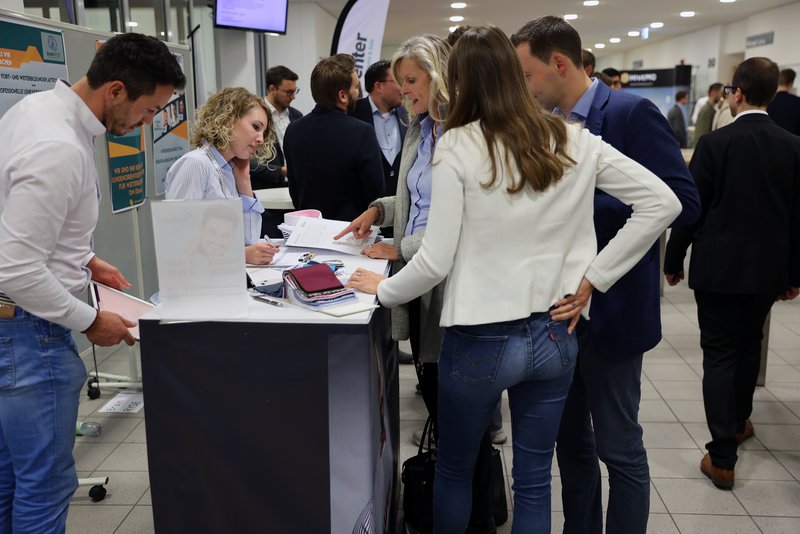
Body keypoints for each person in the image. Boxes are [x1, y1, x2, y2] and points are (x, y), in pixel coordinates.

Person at [346, 26, 681, 533]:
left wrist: (384, 289)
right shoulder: (569, 137)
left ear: (459, 81)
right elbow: (663, 203)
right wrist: (595, 277)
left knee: (455, 470)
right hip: (554, 333)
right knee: (533, 479)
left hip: (479, 338)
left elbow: (436, 261)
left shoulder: (458, 145)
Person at [511, 16, 700, 534]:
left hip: (614, 312)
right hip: (560, 315)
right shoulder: (546, 126)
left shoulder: (630, 112)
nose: (524, 88)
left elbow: (682, 201)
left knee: (619, 447)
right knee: (570, 445)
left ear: (558, 63)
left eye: (527, 75)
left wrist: (583, 199)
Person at [0, 33, 185, 533]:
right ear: (116, 90)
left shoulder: (35, 111)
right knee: (43, 486)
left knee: (9, 479)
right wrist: (90, 320)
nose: (148, 123)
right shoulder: (57, 147)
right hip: (29, 333)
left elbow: (21, 225)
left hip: (13, 325)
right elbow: (16, 269)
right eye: (149, 110)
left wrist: (84, 259)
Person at [336, 34, 503, 531]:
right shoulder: (420, 127)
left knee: (459, 420)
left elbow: (465, 218)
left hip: (450, 283)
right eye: (400, 81)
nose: (402, 90)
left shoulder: (468, 135)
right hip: (419, 277)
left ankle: (474, 515)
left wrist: (400, 248)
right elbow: (418, 198)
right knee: (437, 395)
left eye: (411, 81)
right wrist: (378, 210)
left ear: (440, 77)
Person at [664, 57, 800, 490]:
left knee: (720, 353)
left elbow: (692, 209)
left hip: (718, 270)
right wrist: (794, 274)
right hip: (767, 271)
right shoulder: (793, 146)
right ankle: (739, 422)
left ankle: (722, 457)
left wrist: (673, 260)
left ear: (737, 93)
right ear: (772, 94)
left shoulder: (714, 145)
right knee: (748, 345)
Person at [165, 87, 279, 265]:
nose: (261, 139)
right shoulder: (196, 164)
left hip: (225, 275)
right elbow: (178, 241)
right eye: (256, 127)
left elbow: (250, 239)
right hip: (199, 279)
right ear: (228, 120)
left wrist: (244, 181)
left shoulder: (229, 169)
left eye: (263, 133)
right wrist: (241, 255)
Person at [283, 54, 385, 222]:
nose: (358, 92)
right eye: (356, 87)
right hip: (351, 230)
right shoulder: (362, 132)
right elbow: (376, 194)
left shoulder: (293, 130)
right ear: (342, 96)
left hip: (308, 228)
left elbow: (294, 190)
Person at [350, 60, 408, 214]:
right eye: (398, 81)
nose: (403, 88)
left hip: (399, 208)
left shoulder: (409, 115)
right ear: (378, 86)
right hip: (362, 210)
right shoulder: (352, 114)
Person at [250, 65, 303, 189]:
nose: (293, 96)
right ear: (272, 89)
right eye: (289, 92)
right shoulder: (253, 115)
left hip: (294, 186)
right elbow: (248, 162)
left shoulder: (297, 116)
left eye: (295, 91)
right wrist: (282, 171)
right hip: (265, 189)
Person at [766, 68, 800, 135]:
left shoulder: (767, 102)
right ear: (791, 84)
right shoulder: (797, 102)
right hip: (793, 140)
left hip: (771, 139)